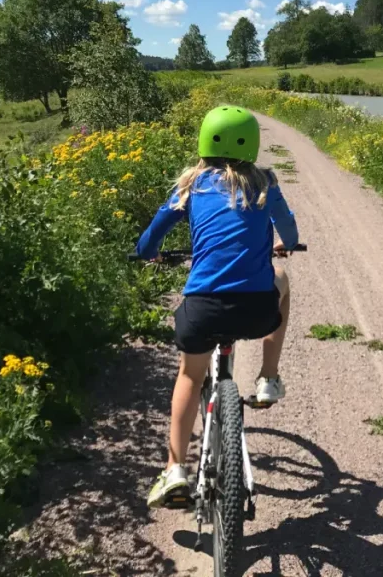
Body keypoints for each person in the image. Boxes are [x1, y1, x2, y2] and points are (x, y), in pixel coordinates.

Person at [135, 105, 299, 508]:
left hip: (204, 309)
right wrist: (285, 244)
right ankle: (268, 377)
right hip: (258, 310)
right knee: (281, 280)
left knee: (190, 375)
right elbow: (289, 229)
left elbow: (150, 239)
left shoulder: (190, 186)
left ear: (204, 143)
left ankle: (175, 470)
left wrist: (148, 253)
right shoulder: (265, 184)